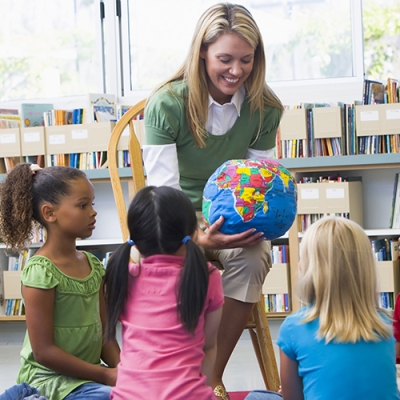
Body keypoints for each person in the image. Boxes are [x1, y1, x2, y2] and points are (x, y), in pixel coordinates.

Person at [142, 3, 284, 398]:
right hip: (176, 215)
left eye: (246, 59)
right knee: (171, 261)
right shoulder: (167, 104)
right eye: (224, 58)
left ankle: (207, 379)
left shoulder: (264, 108)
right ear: (201, 53)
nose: (236, 71)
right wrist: (195, 238)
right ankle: (172, 373)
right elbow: (163, 194)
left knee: (254, 256)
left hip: (234, 217)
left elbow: (262, 185)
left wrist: (269, 210)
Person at [0, 163, 120, 400]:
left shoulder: (94, 265)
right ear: (49, 213)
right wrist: (106, 376)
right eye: (82, 205)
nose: (93, 212)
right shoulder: (40, 272)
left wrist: (126, 369)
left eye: (92, 204)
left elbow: (106, 335)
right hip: (48, 379)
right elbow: (44, 353)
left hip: (88, 377)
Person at [245, 216, 400, 400]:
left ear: (310, 270)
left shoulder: (294, 327)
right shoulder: (384, 324)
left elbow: (293, 397)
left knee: (256, 397)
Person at [103, 186, 224, 399]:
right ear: (194, 234)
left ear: (136, 244)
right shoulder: (208, 276)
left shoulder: (122, 275)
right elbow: (209, 346)